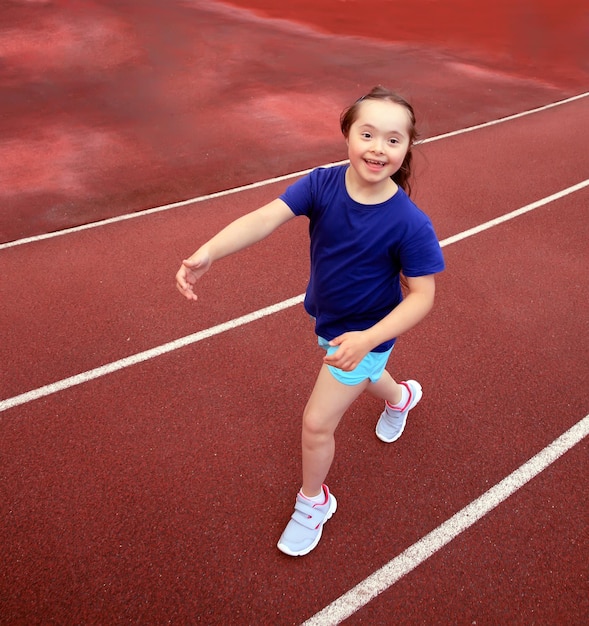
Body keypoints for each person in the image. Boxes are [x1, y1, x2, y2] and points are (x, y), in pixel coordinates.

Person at [176, 86, 445, 557]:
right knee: (367, 376)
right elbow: (264, 217)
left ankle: (314, 501)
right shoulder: (321, 183)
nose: (378, 148)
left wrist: (369, 338)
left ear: (406, 150)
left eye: (393, 140)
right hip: (331, 322)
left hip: (366, 333)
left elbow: (422, 295)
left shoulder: (410, 223)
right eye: (367, 134)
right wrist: (208, 253)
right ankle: (401, 398)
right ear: (347, 134)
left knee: (317, 423)